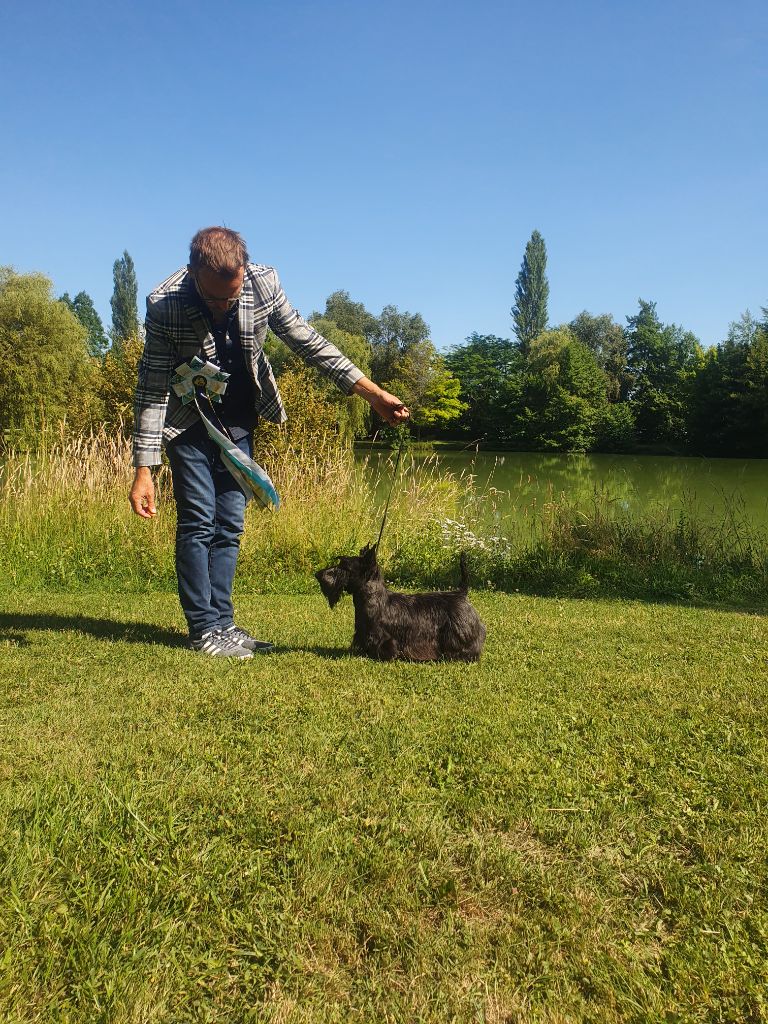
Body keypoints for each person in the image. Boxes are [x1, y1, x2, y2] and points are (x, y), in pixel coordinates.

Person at [129, 226, 409, 658]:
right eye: (215, 299)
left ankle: (223, 622)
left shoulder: (263, 283)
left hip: (240, 421)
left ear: (244, 271)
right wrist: (144, 469)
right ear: (193, 273)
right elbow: (150, 387)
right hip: (189, 422)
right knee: (199, 521)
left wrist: (372, 394)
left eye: (232, 296)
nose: (225, 307)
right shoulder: (164, 304)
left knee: (230, 526)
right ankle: (203, 629)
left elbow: (308, 342)